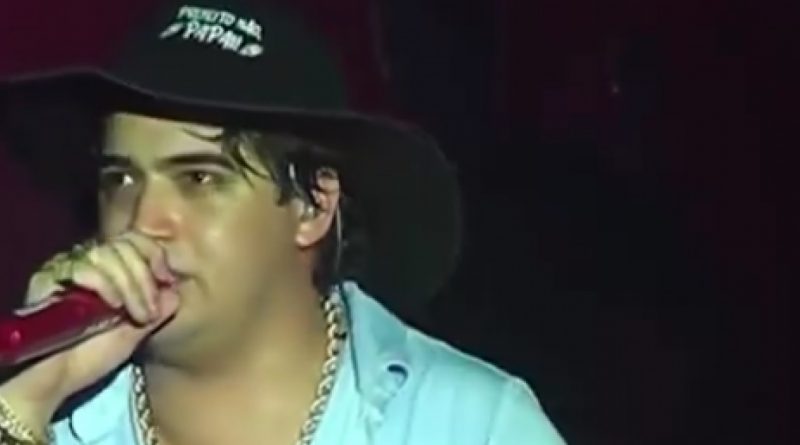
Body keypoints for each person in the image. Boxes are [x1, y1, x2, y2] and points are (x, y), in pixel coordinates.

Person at [0, 0, 567, 444]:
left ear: (313, 206)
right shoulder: (47, 416)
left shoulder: (470, 426)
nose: (143, 221)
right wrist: (27, 402)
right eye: (121, 179)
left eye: (199, 178)